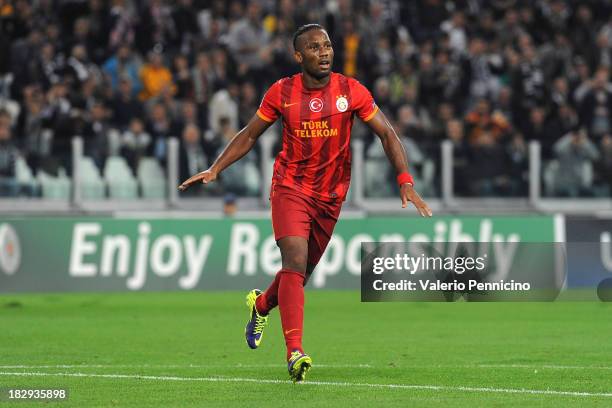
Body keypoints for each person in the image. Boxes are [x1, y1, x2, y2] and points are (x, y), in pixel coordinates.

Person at [178, 24, 432, 382]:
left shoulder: (351, 90)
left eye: (327, 45)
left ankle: (261, 304)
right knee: (294, 261)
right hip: (291, 188)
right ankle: (294, 352)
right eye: (314, 47)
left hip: (331, 196)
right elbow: (250, 134)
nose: (324, 52)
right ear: (299, 56)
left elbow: (387, 133)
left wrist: (405, 179)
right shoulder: (282, 92)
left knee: (298, 275)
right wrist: (216, 168)